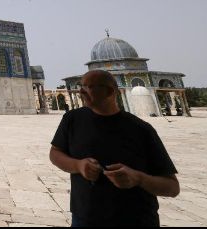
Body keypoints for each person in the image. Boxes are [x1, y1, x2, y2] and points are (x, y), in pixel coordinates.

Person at [49, 69, 179, 227]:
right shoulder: (72, 120)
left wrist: (138, 178)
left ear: (110, 91)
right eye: (81, 86)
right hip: (85, 217)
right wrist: (78, 165)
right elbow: (55, 153)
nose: (81, 91)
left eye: (89, 87)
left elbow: (172, 187)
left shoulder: (140, 129)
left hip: (135, 219)